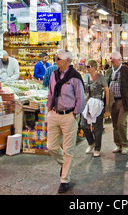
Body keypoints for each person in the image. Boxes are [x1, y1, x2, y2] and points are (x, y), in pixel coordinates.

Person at [47, 50, 85, 193]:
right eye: (56, 58)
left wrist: (75, 114)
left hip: (69, 115)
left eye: (58, 59)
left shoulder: (75, 77)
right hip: (55, 114)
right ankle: (65, 164)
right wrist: (49, 110)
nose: (56, 61)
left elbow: (80, 97)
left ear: (67, 60)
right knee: (52, 147)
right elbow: (50, 93)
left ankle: (64, 180)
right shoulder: (53, 74)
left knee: (68, 149)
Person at [105, 51, 128, 155]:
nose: (112, 60)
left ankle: (124, 144)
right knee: (115, 124)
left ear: (120, 60)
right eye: (111, 58)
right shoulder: (109, 71)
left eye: (114, 58)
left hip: (122, 101)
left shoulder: (126, 71)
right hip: (112, 101)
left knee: (121, 123)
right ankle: (118, 144)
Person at [80, 59, 109, 157]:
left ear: (94, 67)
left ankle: (97, 148)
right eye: (86, 66)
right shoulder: (85, 76)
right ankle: (91, 142)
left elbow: (107, 91)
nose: (86, 68)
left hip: (97, 105)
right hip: (86, 104)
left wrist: (107, 106)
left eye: (88, 66)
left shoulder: (101, 77)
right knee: (83, 125)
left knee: (97, 127)